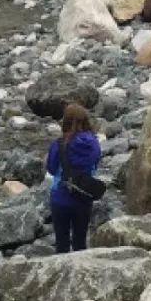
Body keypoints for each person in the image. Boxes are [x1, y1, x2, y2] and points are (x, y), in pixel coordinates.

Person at [45, 103, 101, 254]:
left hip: (60, 197)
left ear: (66, 122)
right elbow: (95, 163)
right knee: (80, 242)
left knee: (61, 242)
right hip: (83, 196)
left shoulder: (59, 144)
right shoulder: (93, 144)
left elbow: (51, 168)